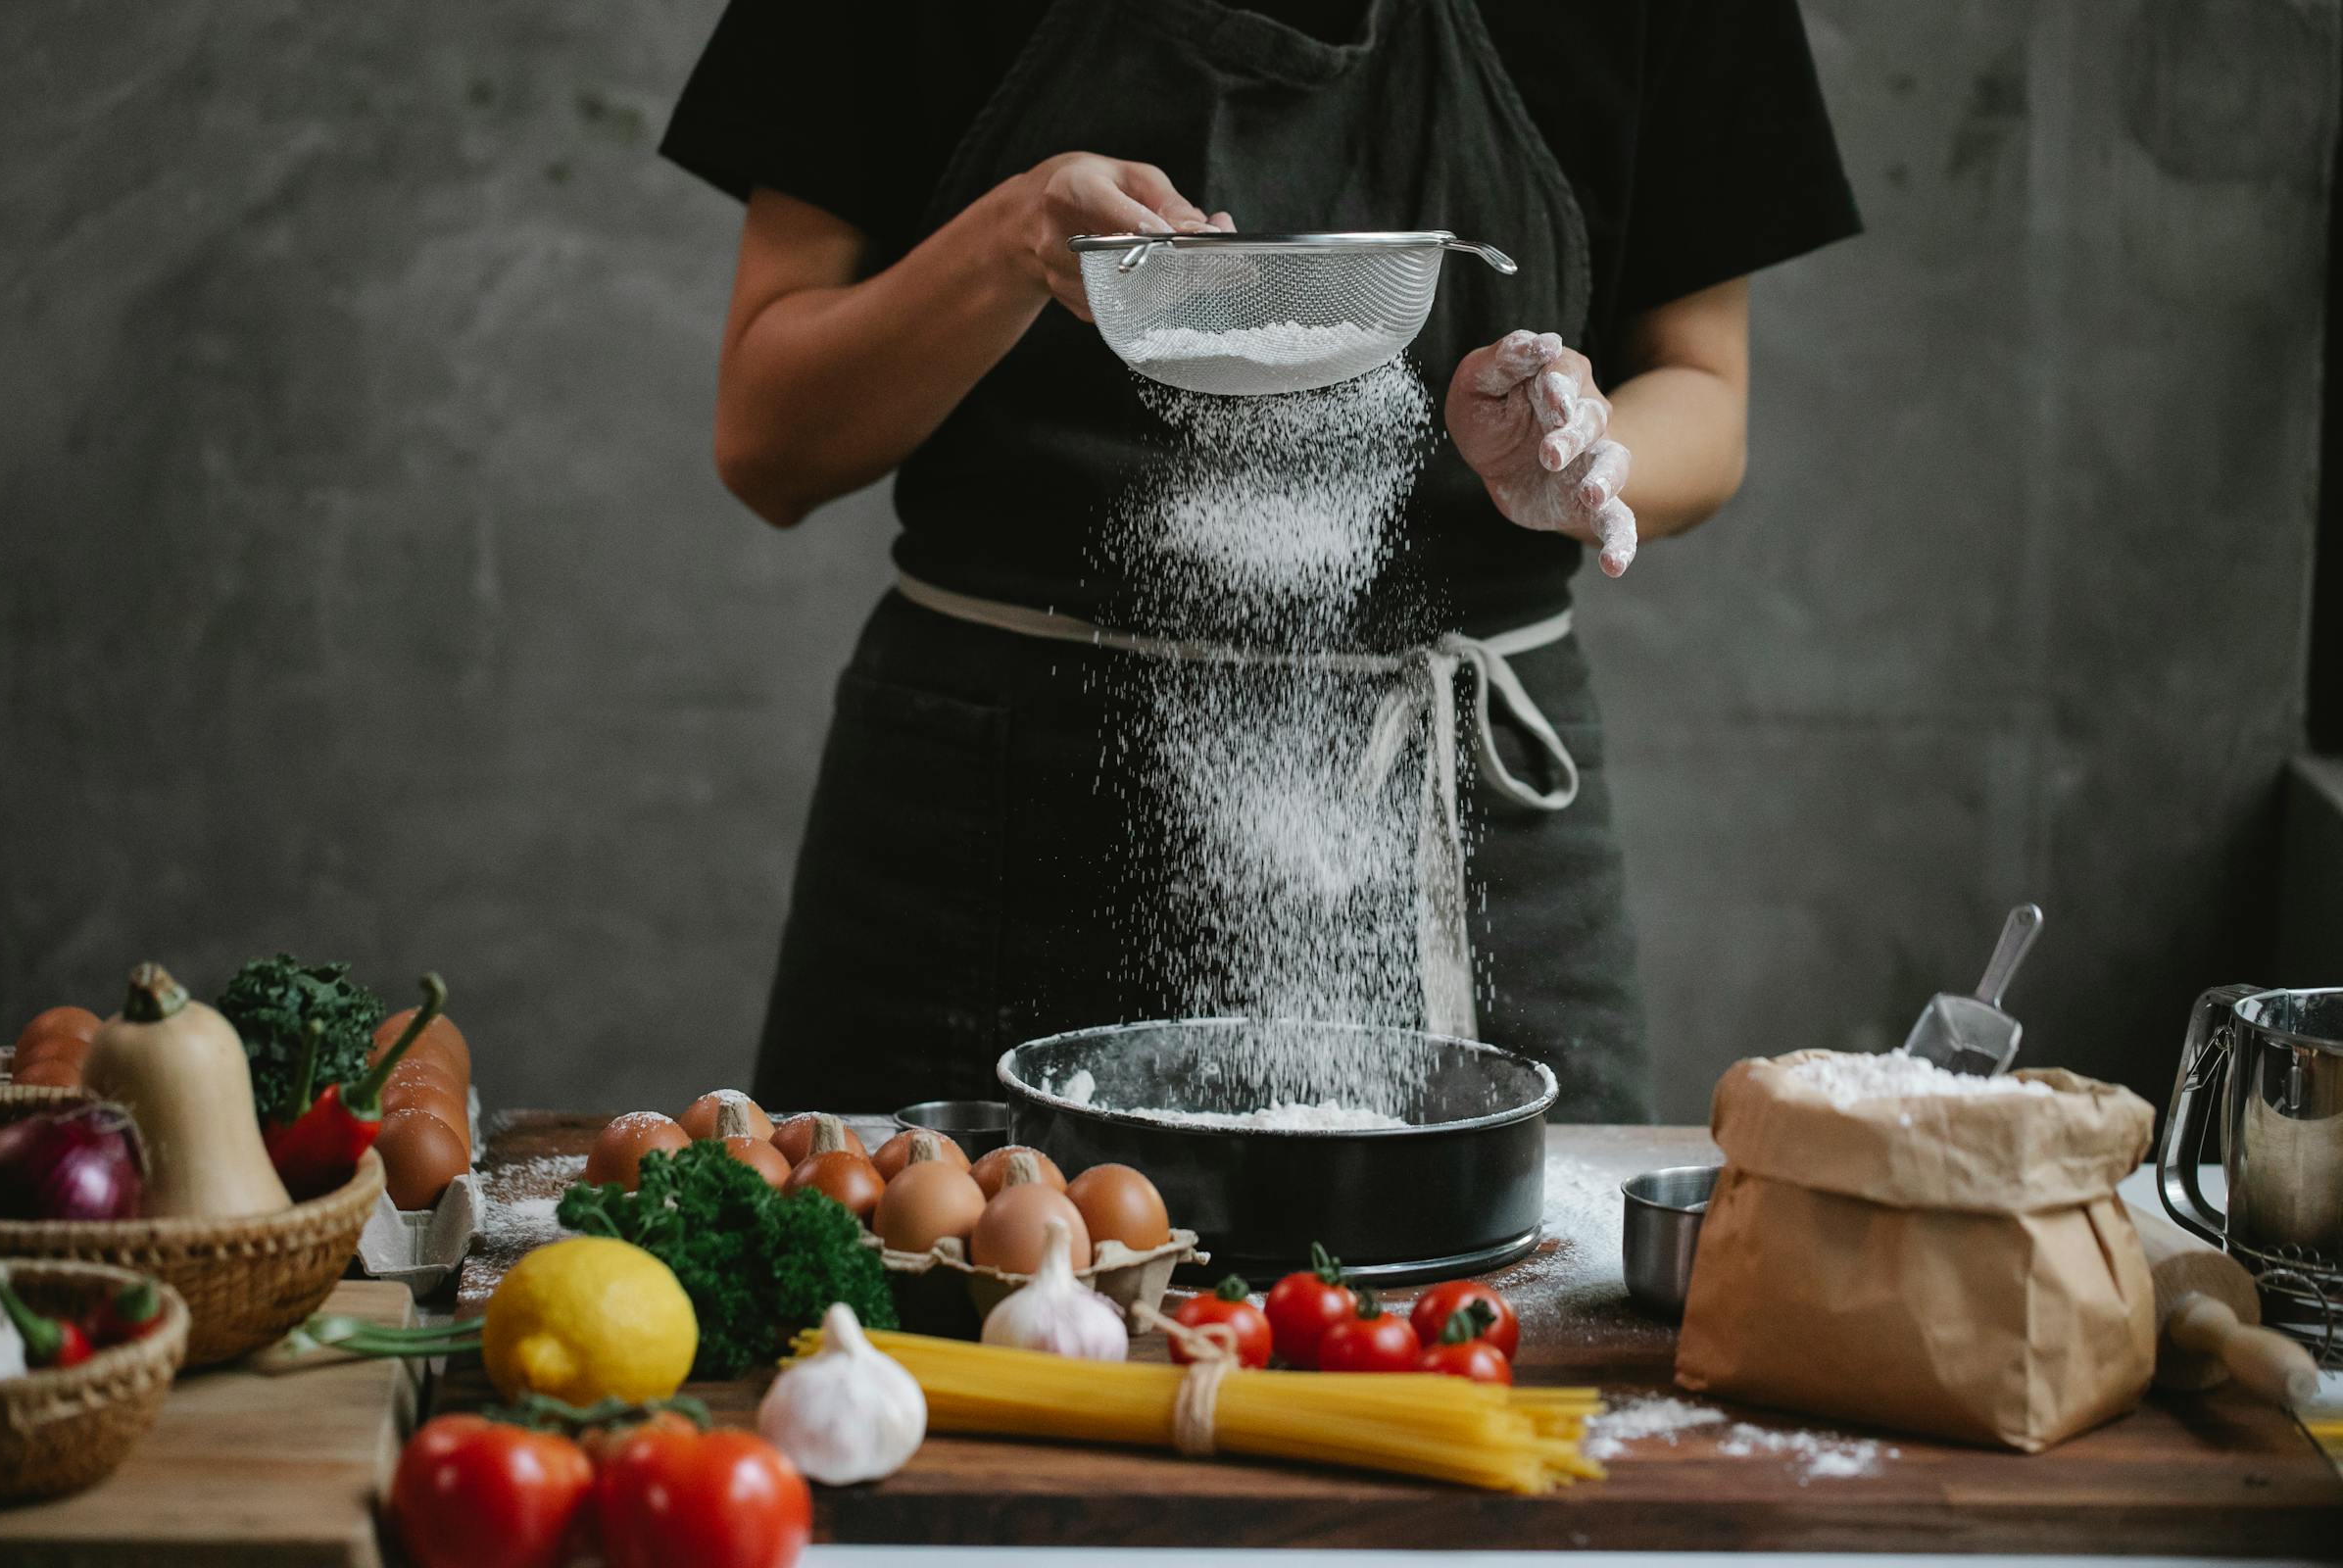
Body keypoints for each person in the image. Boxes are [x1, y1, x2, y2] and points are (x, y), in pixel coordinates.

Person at [661, 0, 1860, 1119]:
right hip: (993, 814)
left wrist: (1580, 455)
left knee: (1512, 1320)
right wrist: (1009, 244)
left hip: (1462, 805)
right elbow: (769, 440)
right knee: (927, 1322)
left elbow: (1706, 391)